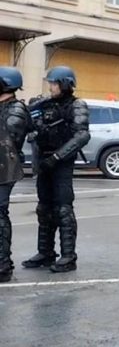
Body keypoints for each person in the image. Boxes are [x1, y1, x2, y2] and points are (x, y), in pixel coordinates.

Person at [21, 66, 90, 273]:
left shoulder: (77, 105)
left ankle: (68, 256)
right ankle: (45, 252)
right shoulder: (44, 104)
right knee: (44, 208)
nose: (50, 86)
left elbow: (82, 136)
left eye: (54, 83)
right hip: (44, 160)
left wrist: (57, 156)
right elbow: (32, 125)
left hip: (61, 162)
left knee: (63, 209)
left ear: (65, 83)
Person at [0, 67, 31, 282]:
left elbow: (7, 139)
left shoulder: (16, 110)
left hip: (5, 168)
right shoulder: (4, 107)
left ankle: (3, 265)